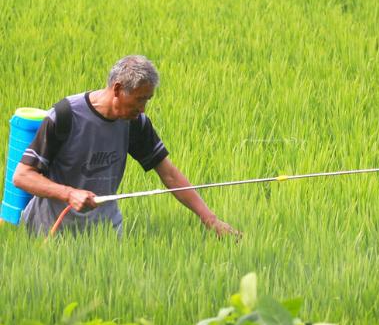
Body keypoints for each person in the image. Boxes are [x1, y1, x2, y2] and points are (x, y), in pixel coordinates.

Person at [13, 55, 238, 238]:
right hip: (49, 233)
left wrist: (210, 219)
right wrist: (69, 193)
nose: (143, 108)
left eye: (147, 100)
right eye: (140, 99)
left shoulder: (135, 123)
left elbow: (169, 174)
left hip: (105, 237)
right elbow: (22, 176)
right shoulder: (66, 116)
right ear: (118, 89)